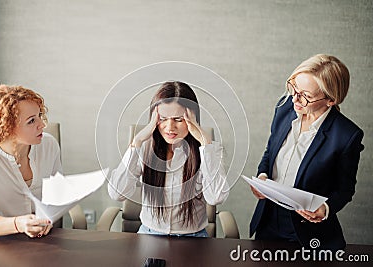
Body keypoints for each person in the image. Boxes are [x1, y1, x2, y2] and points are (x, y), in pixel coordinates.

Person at [249, 54, 364, 250]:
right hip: (268, 222)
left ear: (331, 100)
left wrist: (325, 208)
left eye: (306, 96)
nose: (295, 98)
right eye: (294, 87)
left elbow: (345, 189)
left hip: (308, 233)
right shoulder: (285, 107)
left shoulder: (347, 135)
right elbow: (270, 151)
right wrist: (262, 175)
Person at [108, 81, 229, 237]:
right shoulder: (144, 147)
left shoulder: (209, 151)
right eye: (163, 118)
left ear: (193, 118)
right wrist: (136, 141)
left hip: (194, 237)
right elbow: (117, 193)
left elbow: (216, 197)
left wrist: (206, 145)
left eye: (178, 119)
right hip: (149, 234)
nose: (170, 127)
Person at [0, 84, 62, 238]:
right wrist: (19, 224)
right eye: (31, 121)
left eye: (40, 115)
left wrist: (46, 219)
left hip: (46, 239)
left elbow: (57, 196)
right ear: (6, 126)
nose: (42, 124)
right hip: (1, 242)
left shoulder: (49, 145)